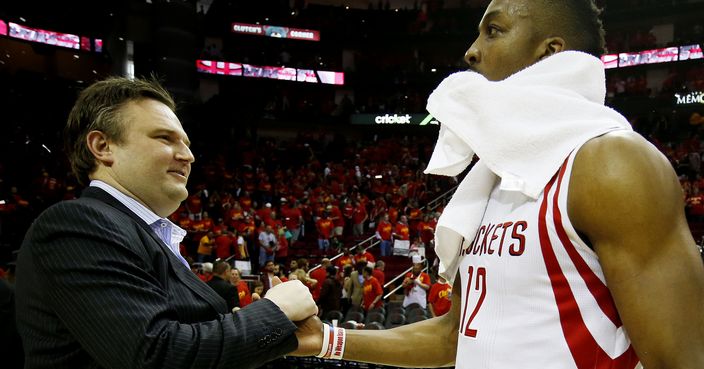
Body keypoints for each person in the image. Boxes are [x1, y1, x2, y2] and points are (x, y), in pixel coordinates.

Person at [290, 1, 704, 368]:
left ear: (550, 53)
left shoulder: (609, 163)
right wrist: (326, 339)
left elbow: (682, 359)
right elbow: (454, 336)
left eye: (494, 30)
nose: (471, 51)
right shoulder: (491, 179)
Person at [14, 77, 318, 369]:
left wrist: (264, 324)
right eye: (164, 137)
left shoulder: (140, 232)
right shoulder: (76, 224)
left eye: (185, 143)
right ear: (103, 147)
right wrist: (274, 311)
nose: (188, 156)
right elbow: (155, 356)